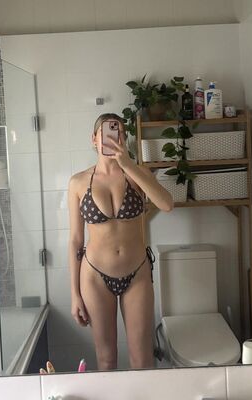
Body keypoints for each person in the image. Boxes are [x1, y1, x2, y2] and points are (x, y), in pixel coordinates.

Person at [68, 113, 174, 371]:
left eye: (119, 134)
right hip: (94, 277)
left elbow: (167, 204)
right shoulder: (78, 182)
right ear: (94, 139)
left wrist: (127, 164)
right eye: (105, 133)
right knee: (106, 360)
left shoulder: (137, 174)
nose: (113, 139)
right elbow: (75, 241)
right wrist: (74, 294)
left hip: (137, 273)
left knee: (143, 360)